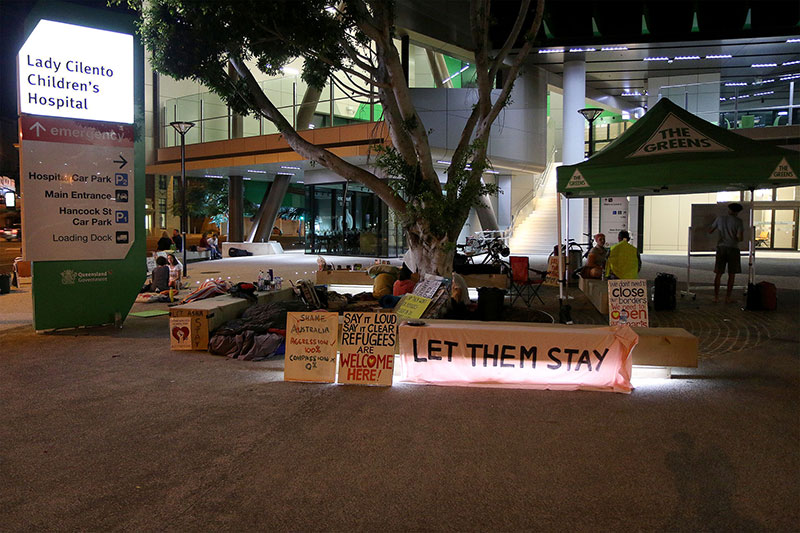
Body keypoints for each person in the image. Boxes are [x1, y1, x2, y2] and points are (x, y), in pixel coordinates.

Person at [708, 202, 744, 303]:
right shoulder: (739, 221)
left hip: (721, 247)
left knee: (718, 273)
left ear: (729, 210)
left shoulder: (720, 218)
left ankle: (716, 297)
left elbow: (710, 230)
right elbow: (740, 238)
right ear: (738, 212)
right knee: (732, 274)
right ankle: (728, 298)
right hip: (733, 248)